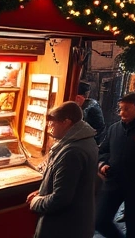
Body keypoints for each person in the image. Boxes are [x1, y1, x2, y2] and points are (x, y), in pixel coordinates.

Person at [27, 101, 98, 238]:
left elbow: (61, 198)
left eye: (52, 122)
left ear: (66, 122)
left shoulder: (71, 152)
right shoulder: (84, 141)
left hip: (63, 228)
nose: (49, 127)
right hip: (77, 224)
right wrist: (42, 191)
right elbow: (69, 185)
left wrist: (36, 202)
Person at [95, 92, 135, 238]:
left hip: (134, 185)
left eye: (126, 109)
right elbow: (103, 151)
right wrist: (103, 165)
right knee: (100, 221)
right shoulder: (114, 129)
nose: (122, 113)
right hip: (113, 182)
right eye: (120, 109)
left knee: (133, 225)